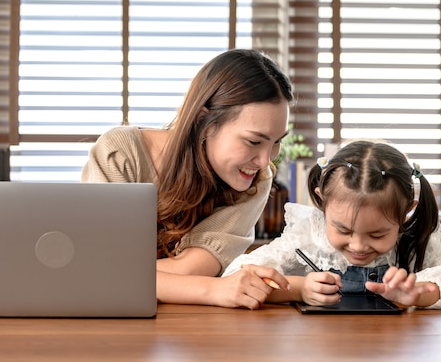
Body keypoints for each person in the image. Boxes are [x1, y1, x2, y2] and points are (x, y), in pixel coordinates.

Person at [81, 49, 293, 308]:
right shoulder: (120, 153)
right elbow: (98, 273)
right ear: (204, 121)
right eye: (253, 141)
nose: (264, 160)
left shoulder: (256, 179)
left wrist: (126, 275)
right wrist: (214, 290)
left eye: (276, 142)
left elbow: (192, 269)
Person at [223, 139, 441, 309]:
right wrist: (300, 288)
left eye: (377, 234)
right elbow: (238, 276)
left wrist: (418, 293)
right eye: (343, 230)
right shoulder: (307, 236)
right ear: (322, 202)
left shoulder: (413, 241)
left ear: (405, 214)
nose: (359, 245)